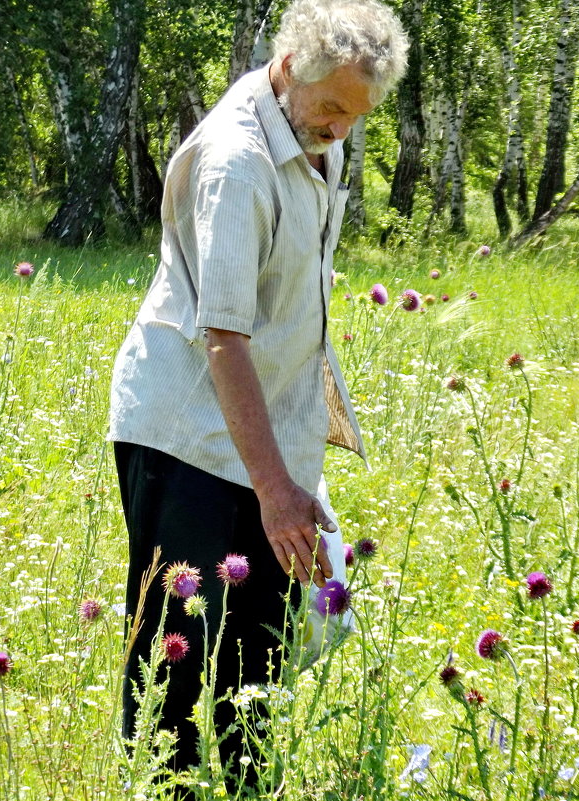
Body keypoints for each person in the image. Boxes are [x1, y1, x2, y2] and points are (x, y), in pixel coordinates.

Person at [107, 0, 408, 786]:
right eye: (335, 107)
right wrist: (277, 491)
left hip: (263, 433)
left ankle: (246, 786)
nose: (343, 129)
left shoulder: (313, 130)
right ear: (289, 69)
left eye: (358, 114)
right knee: (176, 655)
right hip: (187, 434)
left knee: (261, 653)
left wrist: (285, 472)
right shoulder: (238, 162)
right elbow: (225, 338)